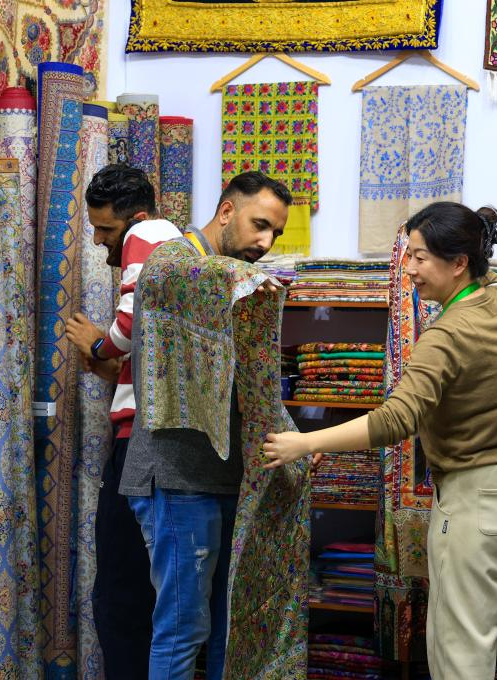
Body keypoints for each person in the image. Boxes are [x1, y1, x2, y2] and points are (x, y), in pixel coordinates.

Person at [262, 202, 497, 680]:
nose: (409, 269)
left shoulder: (446, 334)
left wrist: (304, 443)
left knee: (461, 651)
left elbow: (397, 419)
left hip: (482, 503)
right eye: (408, 255)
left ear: (459, 262)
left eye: (420, 257)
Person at [121, 171, 302, 680]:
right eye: (259, 225)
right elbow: (181, 274)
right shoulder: (174, 262)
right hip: (177, 479)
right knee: (183, 629)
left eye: (275, 234)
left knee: (232, 629)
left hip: (228, 478)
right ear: (226, 211)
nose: (265, 243)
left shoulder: (227, 276)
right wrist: (247, 279)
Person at [65, 163, 182, 678]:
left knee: (119, 587)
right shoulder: (175, 247)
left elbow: (129, 323)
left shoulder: (147, 234)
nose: (98, 241)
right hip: (159, 439)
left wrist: (98, 344)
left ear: (133, 218)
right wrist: (115, 369)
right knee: (145, 584)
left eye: (105, 228)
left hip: (141, 444)